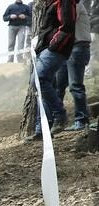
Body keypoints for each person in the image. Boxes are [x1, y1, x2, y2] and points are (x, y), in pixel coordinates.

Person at [25, 0, 77, 141]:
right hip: (45, 48)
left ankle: (60, 114)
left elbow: (67, 26)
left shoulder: (63, 1)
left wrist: (53, 45)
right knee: (45, 87)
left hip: (54, 49)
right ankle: (41, 129)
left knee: (39, 80)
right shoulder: (51, 2)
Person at [55, 0, 92, 131]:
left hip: (77, 46)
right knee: (58, 86)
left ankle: (81, 119)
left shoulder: (74, 4)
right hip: (67, 48)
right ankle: (58, 120)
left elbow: (67, 22)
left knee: (75, 85)